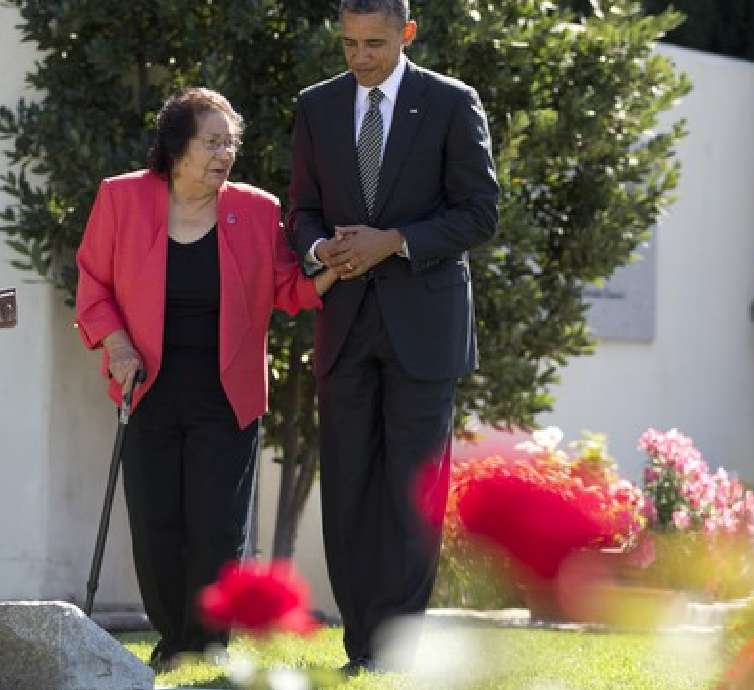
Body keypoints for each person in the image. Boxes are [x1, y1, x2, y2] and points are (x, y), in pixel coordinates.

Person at [75, 87, 337, 669]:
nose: (225, 154)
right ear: (177, 147)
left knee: (217, 528)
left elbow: (286, 289)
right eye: (212, 142)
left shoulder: (257, 210)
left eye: (231, 143)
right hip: (147, 388)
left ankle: (208, 643)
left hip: (226, 394)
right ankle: (173, 639)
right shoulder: (122, 198)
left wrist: (330, 270)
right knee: (156, 523)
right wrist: (117, 345)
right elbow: (93, 284)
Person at [287, 0, 500, 673]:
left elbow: (480, 212)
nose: (360, 57)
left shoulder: (451, 102)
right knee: (348, 491)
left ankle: (395, 649)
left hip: (425, 330)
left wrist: (395, 241)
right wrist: (320, 248)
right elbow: (301, 212)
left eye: (374, 43)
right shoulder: (316, 106)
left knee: (412, 496)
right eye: (349, 43)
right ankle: (361, 647)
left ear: (407, 33)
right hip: (344, 327)